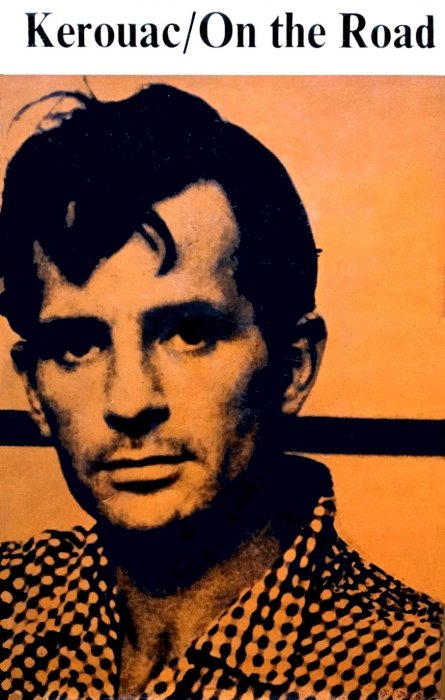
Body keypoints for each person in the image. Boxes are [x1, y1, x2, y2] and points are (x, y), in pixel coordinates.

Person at [0, 84, 441, 700]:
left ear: (293, 367)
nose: (130, 402)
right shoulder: (11, 600)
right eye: (78, 345)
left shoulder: (413, 675)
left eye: (189, 333)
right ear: (33, 389)